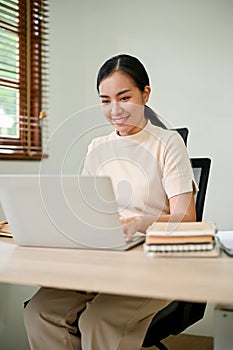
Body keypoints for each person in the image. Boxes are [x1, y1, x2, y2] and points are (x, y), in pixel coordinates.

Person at [24, 54, 197, 350]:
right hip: (102, 260)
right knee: (40, 312)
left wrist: (141, 223)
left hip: (152, 261)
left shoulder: (167, 143)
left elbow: (187, 218)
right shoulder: (97, 147)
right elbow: (85, 208)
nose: (114, 109)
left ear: (146, 93)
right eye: (105, 101)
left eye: (124, 97)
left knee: (98, 320)